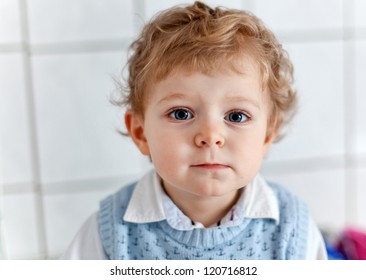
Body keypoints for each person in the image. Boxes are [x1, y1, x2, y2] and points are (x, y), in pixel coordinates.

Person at [62, 1, 327, 260]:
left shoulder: (293, 232)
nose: (211, 136)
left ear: (267, 136)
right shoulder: (108, 235)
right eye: (181, 113)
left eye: (236, 116)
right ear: (141, 133)